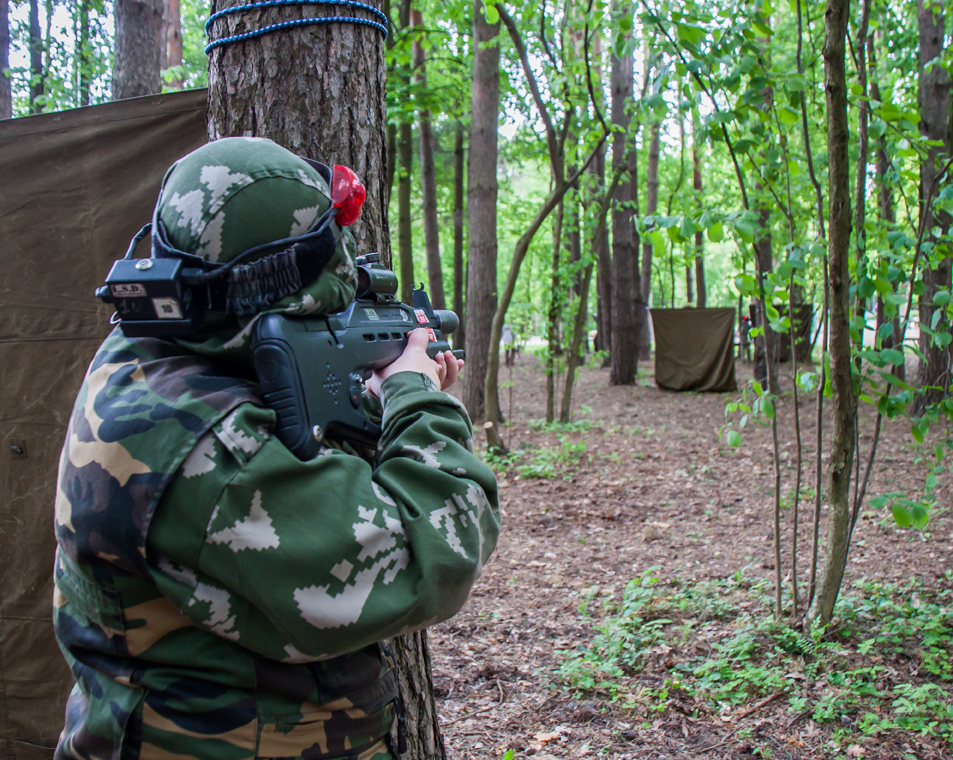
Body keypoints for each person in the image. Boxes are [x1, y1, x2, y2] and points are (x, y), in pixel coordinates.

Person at [52, 138, 500, 760]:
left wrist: (366, 405)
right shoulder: (217, 457)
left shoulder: (144, 350)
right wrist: (415, 397)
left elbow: (294, 460)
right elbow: (438, 554)